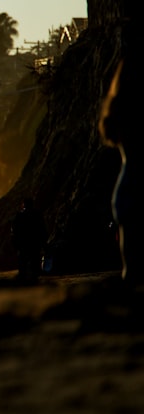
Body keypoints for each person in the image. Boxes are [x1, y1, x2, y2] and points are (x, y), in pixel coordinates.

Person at [99, 56, 140, 286]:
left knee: (132, 270)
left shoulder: (117, 109)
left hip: (125, 188)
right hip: (134, 190)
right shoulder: (130, 110)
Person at [11, 198, 46, 283]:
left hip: (23, 242)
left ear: (23, 205)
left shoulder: (19, 215)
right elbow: (42, 228)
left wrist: (15, 242)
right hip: (35, 242)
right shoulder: (37, 214)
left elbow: (14, 230)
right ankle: (34, 277)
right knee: (35, 260)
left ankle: (23, 277)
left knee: (22, 261)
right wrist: (43, 241)